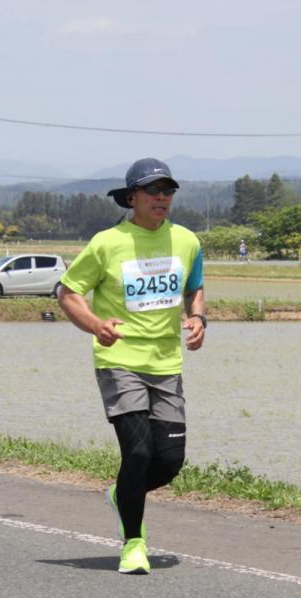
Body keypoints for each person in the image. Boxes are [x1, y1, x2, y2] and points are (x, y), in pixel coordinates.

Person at [57, 157, 206, 575]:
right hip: (119, 360)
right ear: (132, 198)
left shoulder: (188, 242)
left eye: (168, 190)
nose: (162, 198)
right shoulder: (107, 243)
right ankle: (133, 544)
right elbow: (67, 293)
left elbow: (195, 290)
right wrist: (95, 325)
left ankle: (122, 493)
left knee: (169, 462)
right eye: (153, 191)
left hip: (166, 364)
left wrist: (198, 319)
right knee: (138, 452)